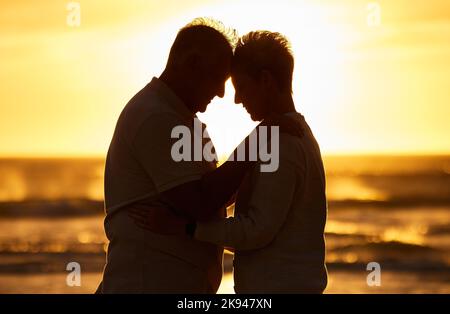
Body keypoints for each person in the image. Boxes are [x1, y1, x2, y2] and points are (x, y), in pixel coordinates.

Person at [98, 18, 302, 293]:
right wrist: (258, 139)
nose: (221, 93)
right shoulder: (156, 117)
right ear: (192, 65)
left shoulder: (180, 119)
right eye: (218, 79)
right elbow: (199, 202)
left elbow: (215, 193)